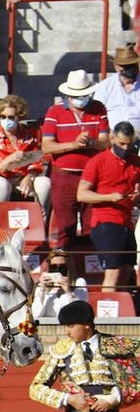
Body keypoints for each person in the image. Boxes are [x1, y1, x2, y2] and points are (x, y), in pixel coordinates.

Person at [42, 69, 110, 248]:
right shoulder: (54, 111)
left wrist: (90, 142)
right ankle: (67, 270)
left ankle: (90, 269)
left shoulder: (98, 108)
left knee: (92, 225)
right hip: (64, 175)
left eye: (85, 95)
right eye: (76, 95)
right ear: (68, 95)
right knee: (66, 227)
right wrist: (74, 144)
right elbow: (47, 146)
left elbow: (105, 142)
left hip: (92, 176)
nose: (81, 99)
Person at [77, 121, 140, 292]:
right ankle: (109, 315)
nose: (125, 148)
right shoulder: (98, 161)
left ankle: (120, 312)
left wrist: (136, 196)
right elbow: (81, 194)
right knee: (112, 272)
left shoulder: (135, 161)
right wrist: (109, 197)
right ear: (112, 138)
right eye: (121, 144)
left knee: (126, 271)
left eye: (129, 144)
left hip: (126, 222)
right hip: (106, 221)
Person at [0, 94, 51, 213]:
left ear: (19, 117)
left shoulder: (28, 134)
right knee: (1, 186)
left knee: (45, 183)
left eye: (11, 117)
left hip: (21, 177)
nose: (6, 120)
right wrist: (8, 160)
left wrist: (29, 177)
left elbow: (36, 161)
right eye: (3, 117)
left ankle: (40, 222)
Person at [93, 46, 140, 133]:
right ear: (117, 67)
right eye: (127, 66)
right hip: (113, 138)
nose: (131, 69)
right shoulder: (105, 87)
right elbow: (97, 114)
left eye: (133, 65)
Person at [31, 249, 87, 319]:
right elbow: (36, 314)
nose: (58, 270)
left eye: (62, 267)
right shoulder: (43, 286)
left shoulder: (79, 282)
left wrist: (69, 292)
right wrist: (42, 290)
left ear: (69, 267)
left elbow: (81, 314)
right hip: (49, 328)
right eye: (54, 267)